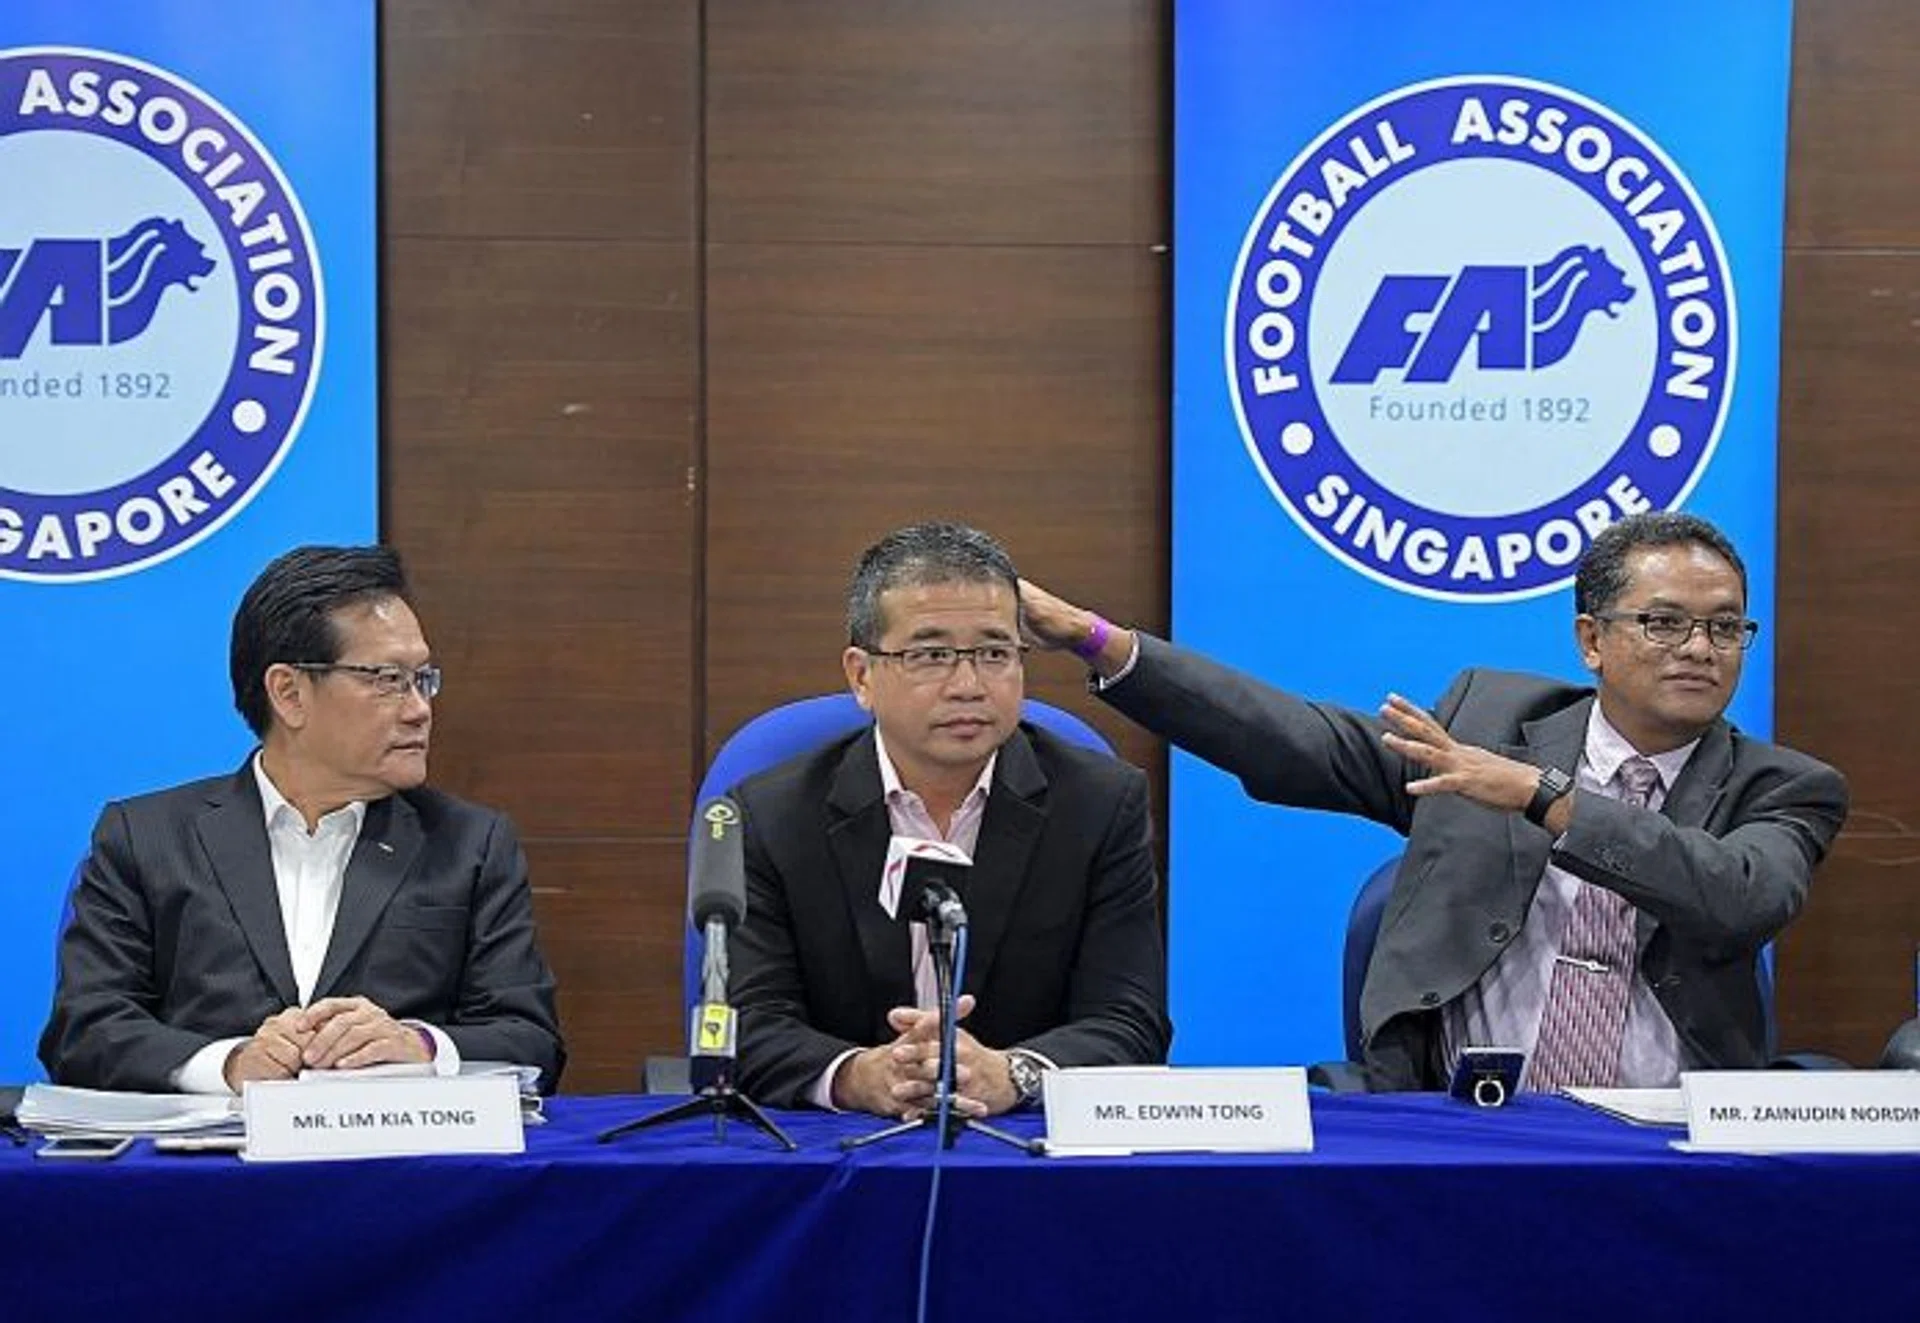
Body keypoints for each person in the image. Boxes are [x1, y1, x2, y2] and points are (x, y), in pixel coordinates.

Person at [1021, 511, 1848, 1092]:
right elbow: (1296, 739)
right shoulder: (1489, 722)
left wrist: (1548, 798)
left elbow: (1742, 897)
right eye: (1664, 622)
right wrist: (1099, 642)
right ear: (1592, 639)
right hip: (1464, 1121)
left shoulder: (1784, 786)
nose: (1700, 648)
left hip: (1672, 1140)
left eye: (1726, 627)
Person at [41, 546, 564, 1094]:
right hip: (212, 1147)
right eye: (388, 679)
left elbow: (531, 1039)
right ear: (289, 694)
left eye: (422, 679)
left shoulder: (469, 844)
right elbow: (84, 1033)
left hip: (393, 1145)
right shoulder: (146, 838)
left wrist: (422, 1046)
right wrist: (229, 1065)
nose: (419, 709)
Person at [728, 522, 1171, 1117]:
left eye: (994, 653)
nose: (968, 685)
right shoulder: (772, 815)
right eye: (931, 655)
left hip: (1021, 1145)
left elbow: (1130, 1020)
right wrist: (860, 1076)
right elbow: (746, 1026)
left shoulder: (1099, 805)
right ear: (862, 676)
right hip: (839, 1147)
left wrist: (1013, 1073)